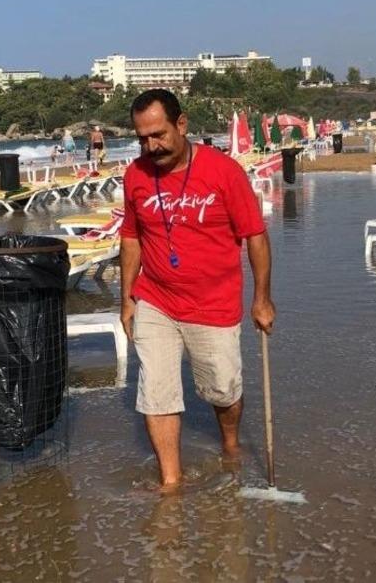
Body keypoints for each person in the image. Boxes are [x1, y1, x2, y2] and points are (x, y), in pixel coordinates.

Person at [119, 88, 275, 490]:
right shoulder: (135, 176)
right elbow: (131, 238)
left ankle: (229, 440)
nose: (150, 146)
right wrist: (126, 299)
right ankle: (170, 481)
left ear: (182, 124)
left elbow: (255, 236)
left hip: (214, 303)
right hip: (155, 299)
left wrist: (261, 298)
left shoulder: (224, 172)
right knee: (157, 392)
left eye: (158, 134)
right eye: (142, 138)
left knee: (221, 389)